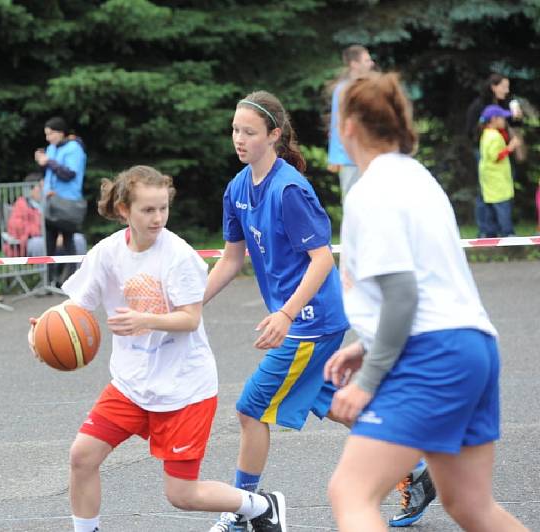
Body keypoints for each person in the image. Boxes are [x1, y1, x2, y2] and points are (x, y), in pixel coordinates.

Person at [204, 91, 434, 532]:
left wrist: (286, 313)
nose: (238, 139)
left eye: (248, 132)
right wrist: (190, 306)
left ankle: (246, 510)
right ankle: (415, 469)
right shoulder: (237, 189)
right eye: (235, 130)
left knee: (251, 409)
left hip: (312, 322)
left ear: (273, 135)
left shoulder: (289, 189)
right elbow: (232, 259)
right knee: (333, 402)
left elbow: (322, 259)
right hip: (302, 320)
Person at [28, 165, 286, 532]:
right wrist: (41, 331)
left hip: (184, 387)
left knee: (181, 495)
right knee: (82, 457)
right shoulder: (107, 253)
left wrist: (144, 320)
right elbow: (75, 309)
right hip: (131, 384)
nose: (158, 217)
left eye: (163, 208)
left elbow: (190, 318)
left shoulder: (178, 255)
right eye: (148, 210)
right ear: (123, 210)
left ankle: (260, 506)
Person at [324, 72, 527, 532]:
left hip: (431, 354)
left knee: (350, 492)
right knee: (470, 504)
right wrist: (366, 344)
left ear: (348, 125)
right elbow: (424, 282)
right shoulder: (417, 177)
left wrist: (367, 381)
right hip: (472, 346)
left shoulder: (370, 191)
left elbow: (403, 296)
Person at [464, 73, 523, 237]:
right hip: (489, 153)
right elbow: (470, 130)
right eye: (504, 86)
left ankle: (498, 229)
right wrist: (485, 145)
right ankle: (487, 231)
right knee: (486, 194)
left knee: (501, 193)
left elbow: (511, 122)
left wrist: (517, 117)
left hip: (501, 152)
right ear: (493, 87)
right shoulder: (479, 106)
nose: (507, 90)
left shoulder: (505, 103)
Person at [34, 116, 86, 285]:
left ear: (61, 132)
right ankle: (49, 281)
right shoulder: (51, 148)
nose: (49, 138)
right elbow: (48, 173)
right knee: (49, 241)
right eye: (46, 135)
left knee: (68, 241)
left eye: (51, 134)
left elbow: (68, 173)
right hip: (50, 201)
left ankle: (70, 280)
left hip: (66, 202)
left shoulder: (74, 148)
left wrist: (48, 161)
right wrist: (42, 162)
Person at [327, 45, 375, 200]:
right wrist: (335, 158)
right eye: (367, 60)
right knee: (353, 204)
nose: (371, 63)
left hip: (369, 157)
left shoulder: (368, 87)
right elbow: (338, 125)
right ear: (354, 64)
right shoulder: (345, 90)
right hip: (350, 159)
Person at [478, 105, 520, 236]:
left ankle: (491, 235)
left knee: (490, 207)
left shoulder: (486, 133)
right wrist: (510, 147)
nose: (504, 121)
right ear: (494, 119)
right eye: (502, 118)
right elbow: (496, 156)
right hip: (497, 180)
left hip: (489, 178)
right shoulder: (495, 136)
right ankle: (508, 234)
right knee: (503, 208)